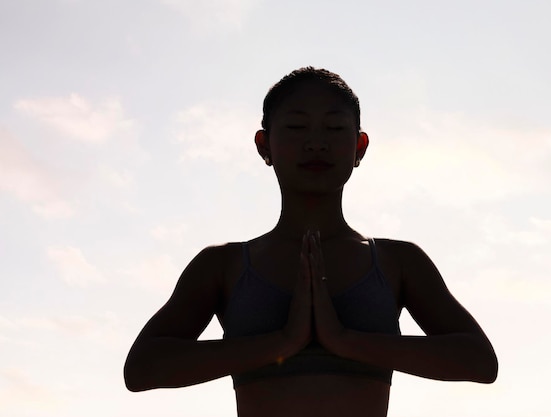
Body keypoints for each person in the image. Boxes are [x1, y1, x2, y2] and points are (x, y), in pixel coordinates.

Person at [123, 67, 498, 417]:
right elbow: (141, 369)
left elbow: (480, 361)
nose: (316, 144)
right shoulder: (222, 266)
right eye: (297, 128)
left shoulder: (399, 262)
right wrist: (281, 343)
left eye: (335, 129)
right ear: (263, 145)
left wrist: (345, 340)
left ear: (360, 147)